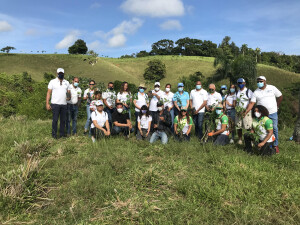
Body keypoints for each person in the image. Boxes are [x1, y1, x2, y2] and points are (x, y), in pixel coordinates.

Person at [244, 76, 283, 153]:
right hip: (262, 114)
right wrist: (246, 111)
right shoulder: (256, 92)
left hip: (273, 112)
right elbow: (252, 103)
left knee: (274, 129)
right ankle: (259, 142)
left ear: (265, 81)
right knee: (260, 128)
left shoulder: (272, 88)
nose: (259, 83)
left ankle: (275, 145)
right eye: (258, 81)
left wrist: (277, 106)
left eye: (261, 81)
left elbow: (280, 96)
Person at [46, 68, 70, 139]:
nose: (61, 74)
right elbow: (49, 93)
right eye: (59, 73)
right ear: (57, 74)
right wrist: (47, 103)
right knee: (55, 120)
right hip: (55, 104)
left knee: (63, 120)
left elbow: (68, 92)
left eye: (62, 73)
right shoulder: (52, 82)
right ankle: (54, 135)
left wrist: (68, 97)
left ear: (64, 74)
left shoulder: (66, 82)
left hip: (64, 104)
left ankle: (62, 135)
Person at [235, 78, 253, 145]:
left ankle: (251, 140)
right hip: (238, 112)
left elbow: (251, 102)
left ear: (244, 83)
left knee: (248, 126)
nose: (240, 84)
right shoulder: (237, 92)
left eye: (241, 83)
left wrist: (245, 110)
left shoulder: (248, 91)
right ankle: (240, 139)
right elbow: (235, 102)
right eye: (239, 83)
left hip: (247, 111)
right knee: (239, 126)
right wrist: (237, 109)